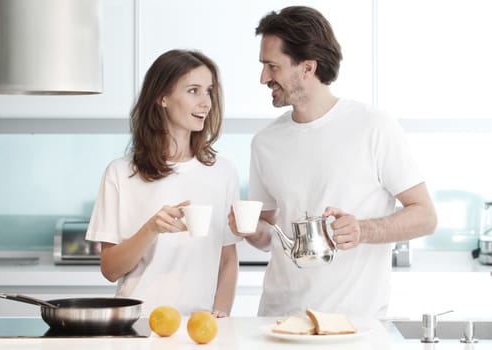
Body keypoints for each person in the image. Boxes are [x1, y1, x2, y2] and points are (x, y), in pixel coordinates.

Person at [228, 6, 437, 318]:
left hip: (354, 326)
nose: (263, 78)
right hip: (278, 322)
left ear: (308, 68)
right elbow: (271, 235)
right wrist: (247, 230)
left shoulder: (373, 126)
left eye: (272, 66)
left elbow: (425, 216)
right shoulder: (265, 142)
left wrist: (362, 230)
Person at [87, 49, 240, 318]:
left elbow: (227, 258)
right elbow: (110, 270)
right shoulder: (121, 173)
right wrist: (152, 228)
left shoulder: (222, 171)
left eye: (209, 91)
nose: (206, 103)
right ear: (163, 98)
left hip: (199, 327)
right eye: (194, 90)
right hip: (137, 323)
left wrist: (221, 312)